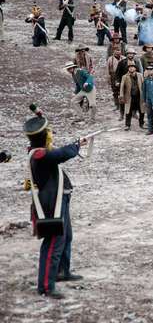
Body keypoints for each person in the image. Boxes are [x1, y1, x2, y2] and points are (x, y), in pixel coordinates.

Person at [24, 105, 87, 299]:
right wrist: (76, 145)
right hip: (52, 203)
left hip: (60, 199)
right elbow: (61, 154)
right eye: (48, 132)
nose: (50, 134)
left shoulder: (40, 151)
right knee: (53, 244)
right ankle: (45, 286)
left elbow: (57, 151)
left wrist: (75, 144)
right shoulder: (39, 154)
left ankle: (62, 271)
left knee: (66, 237)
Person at [119, 61, 145, 131]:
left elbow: (143, 85)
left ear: (135, 68)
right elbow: (121, 87)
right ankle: (127, 125)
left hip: (139, 96)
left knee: (141, 110)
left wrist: (145, 95)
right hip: (129, 96)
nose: (131, 68)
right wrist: (121, 96)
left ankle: (141, 123)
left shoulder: (140, 75)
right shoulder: (124, 76)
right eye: (129, 67)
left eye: (132, 67)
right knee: (128, 111)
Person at [142, 65, 153, 135]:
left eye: (151, 69)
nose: (150, 71)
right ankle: (150, 130)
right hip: (148, 100)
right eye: (148, 70)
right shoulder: (145, 80)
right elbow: (144, 91)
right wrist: (144, 101)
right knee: (149, 115)